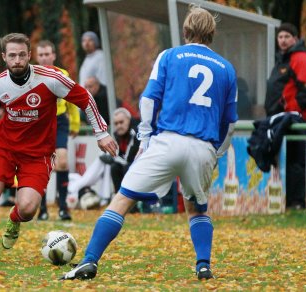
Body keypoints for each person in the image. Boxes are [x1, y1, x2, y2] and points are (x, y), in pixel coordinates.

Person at [62, 7, 237, 281]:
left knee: (122, 199)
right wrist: (216, 152)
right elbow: (230, 122)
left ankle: (89, 261)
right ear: (212, 33)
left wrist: (144, 137)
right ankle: (203, 265)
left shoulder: (169, 56)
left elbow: (148, 100)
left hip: (168, 140)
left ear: (185, 31)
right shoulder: (226, 68)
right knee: (196, 208)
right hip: (202, 146)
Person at [0, 33, 118, 262]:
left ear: (29, 55)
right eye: (12, 56)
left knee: (27, 209)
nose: (17, 60)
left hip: (38, 154)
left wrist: (101, 133)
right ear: (4, 57)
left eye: (21, 55)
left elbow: (84, 97)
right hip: (5, 149)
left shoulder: (50, 78)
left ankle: (15, 219)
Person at [34, 40, 80, 221]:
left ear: (53, 56)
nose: (45, 58)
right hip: (39, 122)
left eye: (48, 54)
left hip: (59, 121)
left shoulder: (63, 74)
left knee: (61, 162)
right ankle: (42, 208)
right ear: (37, 57)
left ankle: (63, 208)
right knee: (42, 164)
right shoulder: (32, 75)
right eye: (41, 55)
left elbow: (73, 99)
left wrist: (75, 123)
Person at [68, 108, 140, 206]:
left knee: (122, 167)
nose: (119, 126)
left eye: (121, 122)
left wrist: (112, 158)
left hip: (141, 165)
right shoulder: (118, 134)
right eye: (116, 123)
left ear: (128, 120)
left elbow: (128, 159)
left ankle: (130, 202)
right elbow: (120, 156)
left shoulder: (134, 132)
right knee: (112, 166)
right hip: (129, 164)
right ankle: (115, 199)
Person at [265, 23, 306, 121]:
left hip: (292, 119)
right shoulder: (281, 61)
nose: (283, 40)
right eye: (280, 37)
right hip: (278, 117)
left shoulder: (301, 59)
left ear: (295, 39)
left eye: (287, 36)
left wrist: (289, 109)